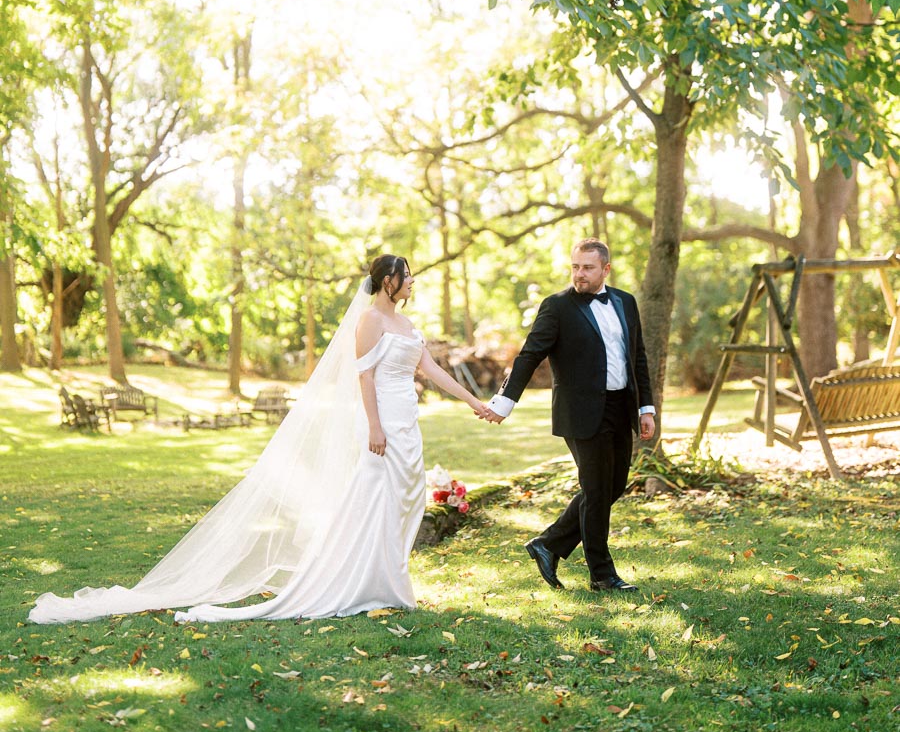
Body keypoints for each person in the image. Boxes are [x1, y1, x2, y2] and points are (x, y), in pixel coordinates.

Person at [28, 253, 492, 625]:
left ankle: (387, 580)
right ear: (387, 281)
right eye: (406, 276)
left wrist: (474, 401)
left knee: (407, 498)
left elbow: (429, 370)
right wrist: (373, 426)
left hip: (408, 423)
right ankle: (365, 584)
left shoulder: (409, 327)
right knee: (375, 500)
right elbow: (365, 378)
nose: (412, 282)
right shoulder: (370, 321)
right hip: (381, 422)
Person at [484, 238, 655, 592]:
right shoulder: (557, 307)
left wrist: (646, 407)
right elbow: (530, 354)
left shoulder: (625, 302)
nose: (580, 274)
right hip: (579, 412)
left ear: (606, 269)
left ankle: (548, 543)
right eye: (575, 266)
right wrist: (505, 401)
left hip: (620, 406)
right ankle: (602, 574)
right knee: (595, 491)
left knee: (614, 486)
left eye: (588, 268)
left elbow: (637, 357)